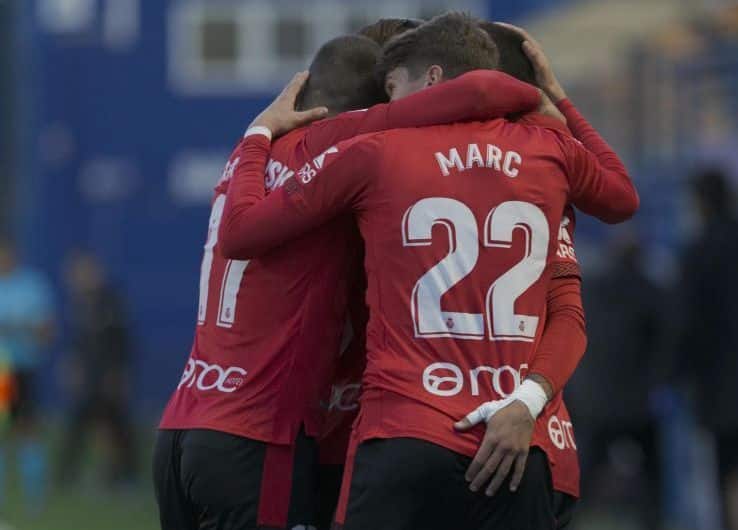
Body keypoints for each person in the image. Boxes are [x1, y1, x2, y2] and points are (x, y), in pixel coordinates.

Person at [217, 13, 638, 529]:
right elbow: (619, 204)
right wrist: (553, 99)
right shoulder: (550, 153)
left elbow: (241, 233)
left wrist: (259, 133)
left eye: (392, 89)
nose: (386, 106)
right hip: (518, 440)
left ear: (432, 79)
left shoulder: (375, 152)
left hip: (405, 431)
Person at [153, 28, 542, 530]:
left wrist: (255, 131)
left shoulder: (249, 154)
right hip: (257, 433)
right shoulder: (340, 141)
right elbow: (472, 94)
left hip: (183, 424)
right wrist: (543, 98)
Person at [678, 167, 738, 530]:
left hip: (718, 384)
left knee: (722, 469)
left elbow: (687, 323)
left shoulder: (697, 253)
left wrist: (676, 373)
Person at [57, 249, 137, 489]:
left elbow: (121, 340)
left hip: (107, 375)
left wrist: (118, 373)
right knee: (81, 423)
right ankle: (67, 475)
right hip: (91, 375)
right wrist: (75, 365)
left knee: (115, 425)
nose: (77, 279)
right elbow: (80, 342)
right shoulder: (82, 303)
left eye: (81, 273)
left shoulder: (110, 302)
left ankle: (124, 475)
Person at [0, 237, 55, 511]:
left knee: (29, 430)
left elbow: (47, 331)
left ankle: (35, 498)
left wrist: (24, 328)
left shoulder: (33, 286)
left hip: (25, 368)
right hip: (1, 372)